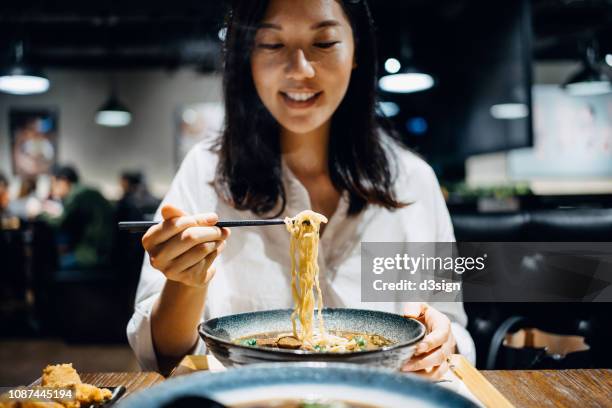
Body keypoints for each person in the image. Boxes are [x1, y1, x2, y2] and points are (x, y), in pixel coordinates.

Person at [128, 0, 475, 376]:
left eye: (323, 43)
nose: (300, 70)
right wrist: (185, 281)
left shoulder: (413, 181)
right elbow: (162, 355)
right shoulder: (206, 172)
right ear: (249, 56)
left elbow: (453, 328)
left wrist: (441, 341)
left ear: (356, 49)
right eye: (273, 45)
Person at [40, 165, 114, 269]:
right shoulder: (85, 190)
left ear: (64, 181)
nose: (52, 189)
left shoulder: (77, 194)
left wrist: (41, 212)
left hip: (93, 254)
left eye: (54, 184)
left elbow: (60, 222)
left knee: (51, 265)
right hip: (104, 249)